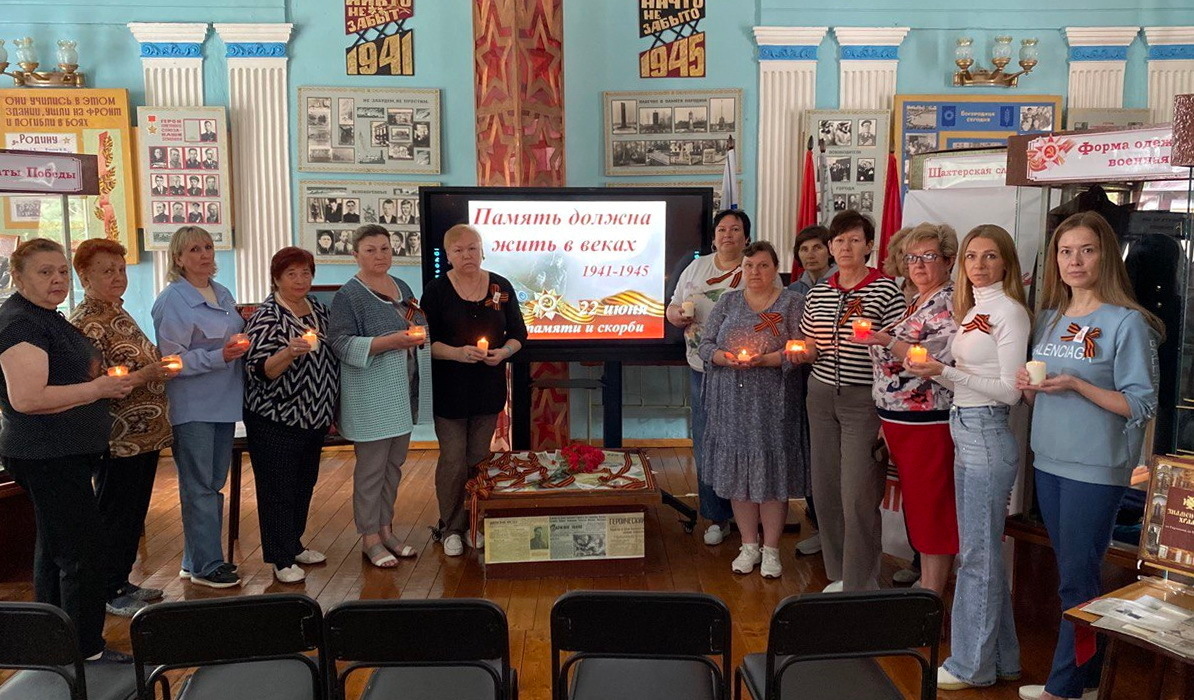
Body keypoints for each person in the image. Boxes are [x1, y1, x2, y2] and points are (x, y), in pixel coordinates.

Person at [1014, 212, 1161, 700]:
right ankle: (1091, 675)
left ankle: (1065, 688)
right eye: (1065, 251)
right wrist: (1028, 387)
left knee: (1077, 581)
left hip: (1096, 468)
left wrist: (1078, 385)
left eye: (1087, 250)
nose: (1074, 260)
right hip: (1048, 460)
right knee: (1072, 574)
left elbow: (1140, 404)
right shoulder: (1050, 318)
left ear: (1106, 257)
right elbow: (1039, 394)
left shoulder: (1127, 322)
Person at [904, 224, 1030, 691]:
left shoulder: (1010, 312)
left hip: (986, 432)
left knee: (977, 555)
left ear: (1006, 263)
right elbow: (970, 376)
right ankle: (1003, 659)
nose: (978, 264)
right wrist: (935, 372)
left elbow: (1010, 392)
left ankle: (970, 665)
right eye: (972, 256)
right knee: (980, 552)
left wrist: (944, 370)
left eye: (990, 256)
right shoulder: (976, 308)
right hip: (965, 426)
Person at [0, 238, 134, 662]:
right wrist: (98, 389)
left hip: (62, 452)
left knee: (55, 550)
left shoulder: (44, 316)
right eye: (45, 272)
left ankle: (51, 642)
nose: (57, 279)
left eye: (61, 271)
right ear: (18, 277)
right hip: (46, 454)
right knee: (82, 555)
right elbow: (27, 398)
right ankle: (84, 650)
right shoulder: (20, 324)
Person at [794, 210, 906, 591]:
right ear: (830, 247)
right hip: (821, 395)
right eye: (839, 241)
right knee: (825, 489)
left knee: (858, 492)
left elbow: (899, 349)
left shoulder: (886, 290)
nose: (845, 247)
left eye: (854, 240)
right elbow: (810, 343)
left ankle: (861, 582)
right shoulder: (819, 292)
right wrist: (802, 352)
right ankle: (839, 574)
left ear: (869, 246)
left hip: (864, 401)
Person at [69, 239, 179, 616]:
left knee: (132, 513)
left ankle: (122, 578)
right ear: (84, 276)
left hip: (144, 435)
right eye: (107, 271)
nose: (118, 277)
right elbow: (93, 383)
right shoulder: (88, 321)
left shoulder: (117, 311)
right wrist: (147, 373)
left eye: (121, 269)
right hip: (117, 437)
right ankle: (107, 589)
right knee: (115, 513)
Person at [856, 223, 959, 596]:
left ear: (948, 260)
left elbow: (934, 361)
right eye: (912, 257)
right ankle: (925, 586)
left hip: (928, 423)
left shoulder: (949, 301)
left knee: (932, 509)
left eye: (928, 256)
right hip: (901, 421)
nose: (918, 264)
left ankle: (932, 594)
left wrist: (886, 341)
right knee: (919, 506)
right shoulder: (916, 299)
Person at [666, 209, 780, 547]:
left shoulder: (756, 267)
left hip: (752, 375)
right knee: (707, 443)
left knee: (749, 445)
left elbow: (777, 313)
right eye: (721, 229)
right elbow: (672, 306)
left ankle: (754, 522)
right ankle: (716, 516)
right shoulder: (695, 268)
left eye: (735, 229)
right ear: (714, 237)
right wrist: (676, 316)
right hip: (704, 369)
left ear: (746, 236)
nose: (727, 234)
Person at [700, 241, 807, 578]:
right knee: (739, 477)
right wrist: (723, 357)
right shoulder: (728, 301)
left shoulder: (792, 303)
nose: (755, 272)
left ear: (775, 269)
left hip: (774, 403)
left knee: (771, 476)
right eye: (749, 266)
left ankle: (771, 550)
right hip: (731, 402)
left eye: (763, 265)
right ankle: (748, 546)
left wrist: (769, 359)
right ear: (741, 270)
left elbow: (802, 348)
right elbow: (705, 344)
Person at [329, 224, 432, 567]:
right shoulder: (349, 296)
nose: (380, 256)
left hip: (402, 391)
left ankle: (386, 529)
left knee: (393, 467)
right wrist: (390, 342)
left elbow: (418, 323)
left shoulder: (402, 287)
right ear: (355, 255)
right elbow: (339, 343)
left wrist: (417, 334)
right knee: (371, 470)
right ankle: (369, 538)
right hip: (371, 396)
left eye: (385, 249)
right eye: (370, 250)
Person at [152, 226, 248, 588]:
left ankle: (194, 560)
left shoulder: (222, 293)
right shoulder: (172, 300)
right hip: (192, 405)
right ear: (178, 258)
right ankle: (208, 565)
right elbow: (171, 361)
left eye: (208, 247)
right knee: (200, 487)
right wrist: (219, 356)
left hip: (224, 402)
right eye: (194, 249)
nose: (204, 254)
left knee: (213, 483)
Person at [423, 224, 527, 556]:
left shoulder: (500, 286)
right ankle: (451, 528)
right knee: (453, 460)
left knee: (478, 459)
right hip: (449, 391)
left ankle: (474, 522)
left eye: (473, 248)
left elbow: (519, 334)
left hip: (487, 388)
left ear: (482, 251)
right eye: (459, 250)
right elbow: (424, 341)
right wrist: (456, 353)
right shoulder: (436, 291)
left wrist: (504, 352)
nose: (467, 255)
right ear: (448, 255)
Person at [242, 247, 340, 583]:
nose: (300, 280)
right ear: (277, 278)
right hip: (276, 418)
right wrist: (288, 352)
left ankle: (294, 544)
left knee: (303, 484)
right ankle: (280, 557)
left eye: (305, 273)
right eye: (291, 274)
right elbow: (260, 371)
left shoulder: (318, 310)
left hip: (313, 417)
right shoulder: (267, 316)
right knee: (277, 489)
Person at [788, 224, 836, 556]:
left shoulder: (841, 285)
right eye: (804, 249)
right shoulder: (792, 290)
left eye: (817, 247)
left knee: (836, 459)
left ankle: (840, 533)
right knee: (810, 453)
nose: (810, 254)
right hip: (799, 378)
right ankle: (820, 525)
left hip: (835, 378)